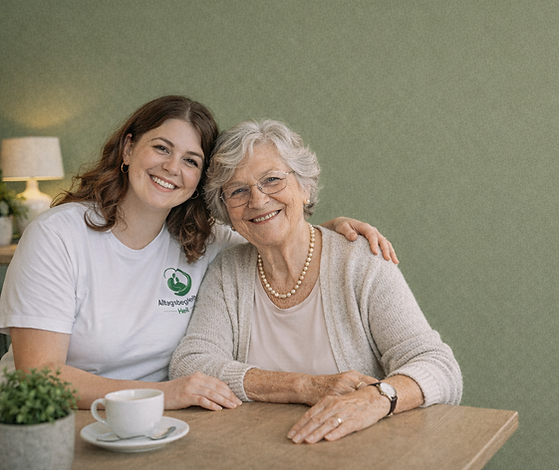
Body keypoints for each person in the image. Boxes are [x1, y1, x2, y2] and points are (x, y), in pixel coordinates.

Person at [0, 96, 397, 411]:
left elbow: (269, 229)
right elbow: (39, 375)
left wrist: (331, 228)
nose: (172, 167)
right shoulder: (57, 236)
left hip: (157, 423)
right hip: (51, 420)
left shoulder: (203, 240)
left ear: (199, 181)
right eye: (161, 148)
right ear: (127, 149)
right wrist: (163, 395)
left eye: (191, 160)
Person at [169, 119, 462, 444]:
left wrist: (377, 399)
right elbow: (190, 366)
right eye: (237, 190)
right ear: (225, 209)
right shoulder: (229, 270)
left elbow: (439, 367)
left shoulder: (359, 259)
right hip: (257, 454)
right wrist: (303, 386)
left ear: (304, 187)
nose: (257, 199)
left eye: (272, 180)